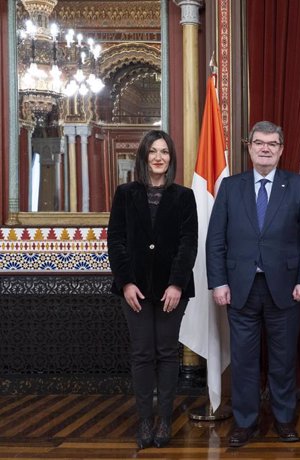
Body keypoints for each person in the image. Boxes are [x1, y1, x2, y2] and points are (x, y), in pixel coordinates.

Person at [206, 120, 300, 447]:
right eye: (259, 143)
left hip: (286, 288)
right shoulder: (230, 187)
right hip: (240, 288)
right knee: (243, 361)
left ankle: (284, 421)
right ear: (250, 147)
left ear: (281, 149)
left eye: (272, 143)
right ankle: (245, 423)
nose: (265, 148)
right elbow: (215, 240)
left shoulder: (298, 186)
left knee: (283, 360)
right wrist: (218, 282)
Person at [107, 130, 198, 450]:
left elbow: (188, 244)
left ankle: (164, 421)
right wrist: (126, 282)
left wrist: (176, 283)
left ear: (171, 158)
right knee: (142, 353)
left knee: (167, 353)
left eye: (165, 152)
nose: (159, 157)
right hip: (135, 289)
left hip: (172, 289)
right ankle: (145, 420)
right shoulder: (125, 193)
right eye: (153, 151)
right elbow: (116, 241)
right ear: (144, 156)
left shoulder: (184, 196)